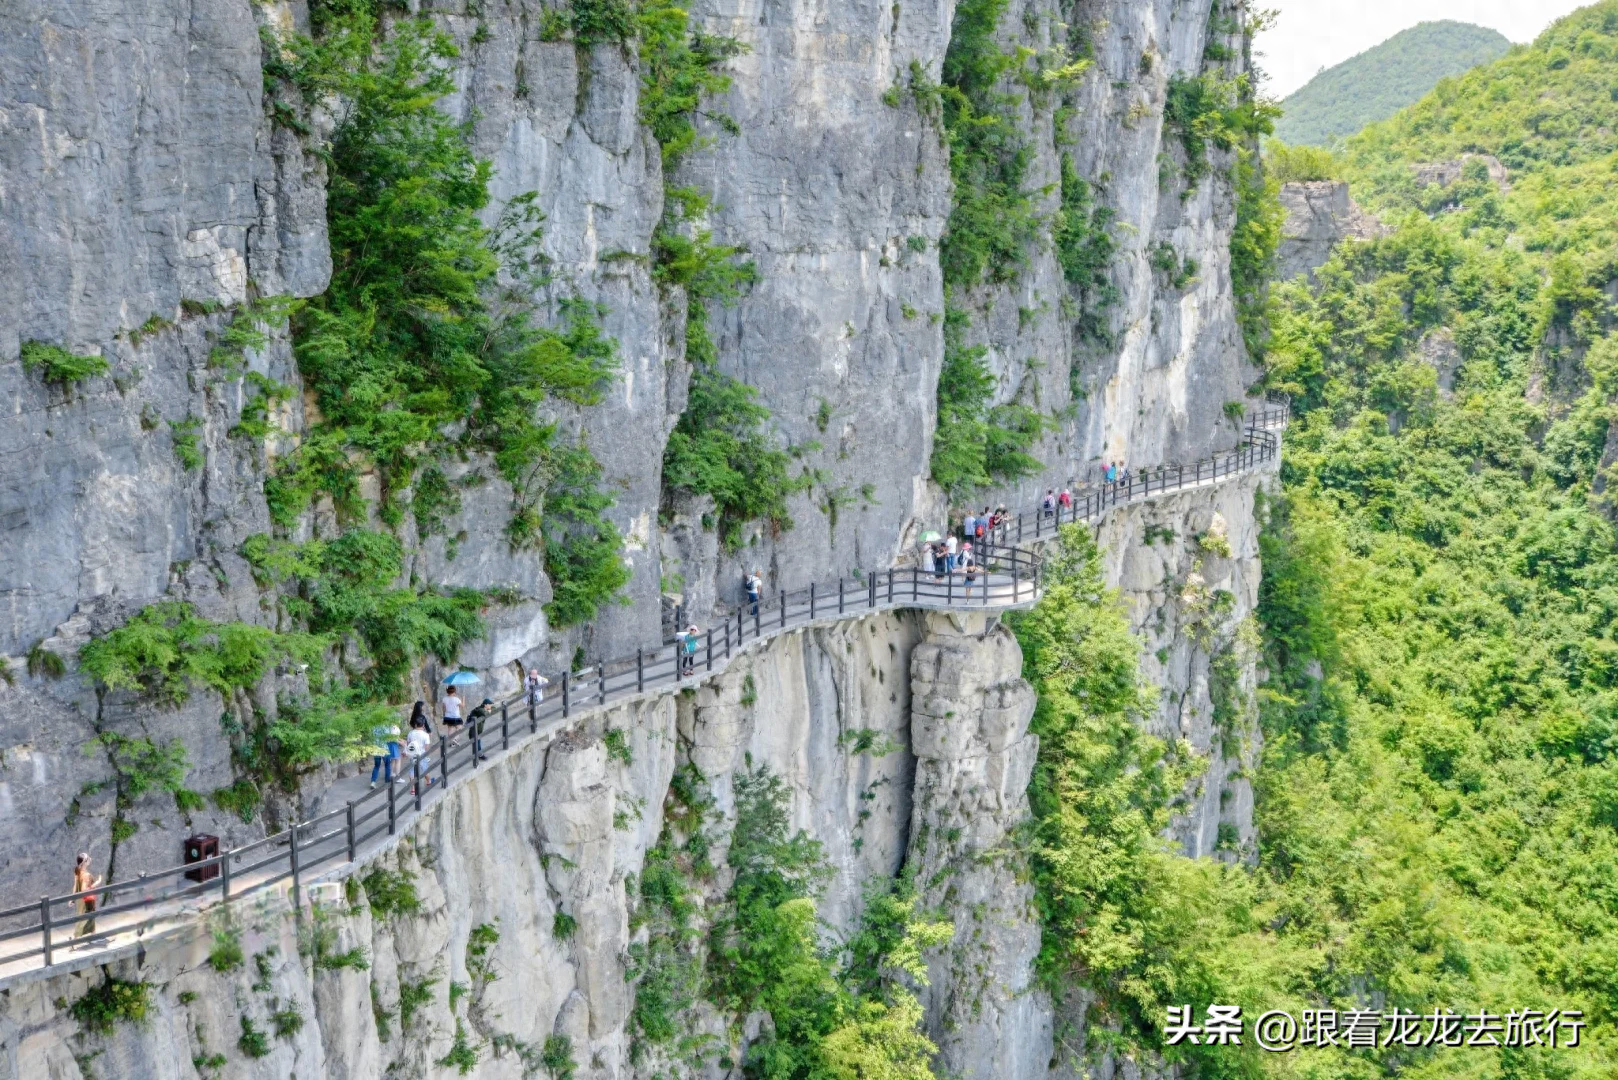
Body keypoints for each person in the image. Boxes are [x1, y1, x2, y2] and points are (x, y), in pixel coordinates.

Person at [72, 852, 101, 944]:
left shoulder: (77, 871)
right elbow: (84, 889)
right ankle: (91, 938)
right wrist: (96, 883)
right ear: (84, 862)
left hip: (80, 900)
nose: (90, 859)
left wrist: (72, 898)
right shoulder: (86, 875)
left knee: (82, 917)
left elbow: (75, 885)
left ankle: (79, 938)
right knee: (89, 917)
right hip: (87, 900)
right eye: (88, 858)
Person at [405, 716, 434, 795]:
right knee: (424, 769)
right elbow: (427, 747)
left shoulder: (410, 733)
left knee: (412, 771)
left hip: (413, 754)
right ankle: (428, 781)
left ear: (415, 725)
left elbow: (408, 744)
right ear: (423, 725)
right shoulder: (425, 735)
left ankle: (413, 789)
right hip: (421, 754)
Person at [370, 715, 401, 788]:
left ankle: (373, 782)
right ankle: (387, 781)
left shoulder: (373, 728)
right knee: (387, 765)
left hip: (376, 749)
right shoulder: (387, 727)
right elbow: (391, 738)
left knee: (376, 766)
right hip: (385, 749)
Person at [468, 698, 494, 763]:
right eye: (489, 704)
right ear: (485, 705)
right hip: (474, 729)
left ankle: (477, 754)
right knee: (477, 741)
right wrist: (489, 711)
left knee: (477, 741)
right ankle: (480, 755)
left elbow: (494, 708)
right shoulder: (480, 710)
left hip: (478, 728)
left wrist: (490, 709)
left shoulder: (483, 708)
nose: (490, 706)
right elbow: (485, 713)